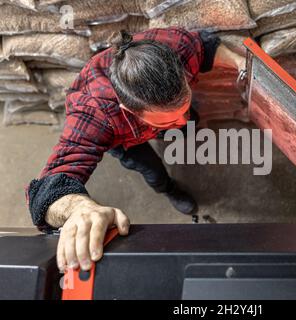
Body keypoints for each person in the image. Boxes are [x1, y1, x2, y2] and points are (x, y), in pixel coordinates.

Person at [26, 27, 245, 272]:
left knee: (188, 126)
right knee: (152, 171)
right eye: (168, 120)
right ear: (129, 110)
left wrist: (239, 62)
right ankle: (170, 189)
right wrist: (79, 209)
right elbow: (46, 190)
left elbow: (206, 46)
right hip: (123, 140)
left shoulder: (178, 47)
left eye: (182, 106)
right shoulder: (95, 110)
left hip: (151, 110)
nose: (180, 120)